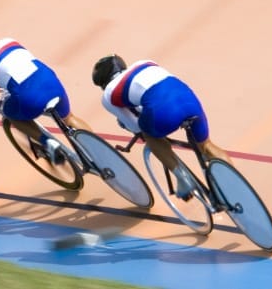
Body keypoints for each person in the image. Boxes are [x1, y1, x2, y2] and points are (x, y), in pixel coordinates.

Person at [91, 54, 232, 198]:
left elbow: (135, 127)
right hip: (188, 99)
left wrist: (126, 124)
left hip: (163, 111)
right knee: (206, 146)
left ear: (103, 83)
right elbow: (154, 93)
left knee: (149, 135)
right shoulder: (145, 62)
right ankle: (236, 186)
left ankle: (182, 178)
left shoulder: (108, 94)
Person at [0, 30, 91, 164]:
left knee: (10, 114)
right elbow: (13, 68)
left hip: (29, 98)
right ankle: (99, 149)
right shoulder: (9, 41)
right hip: (51, 82)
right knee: (68, 118)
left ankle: (49, 143)